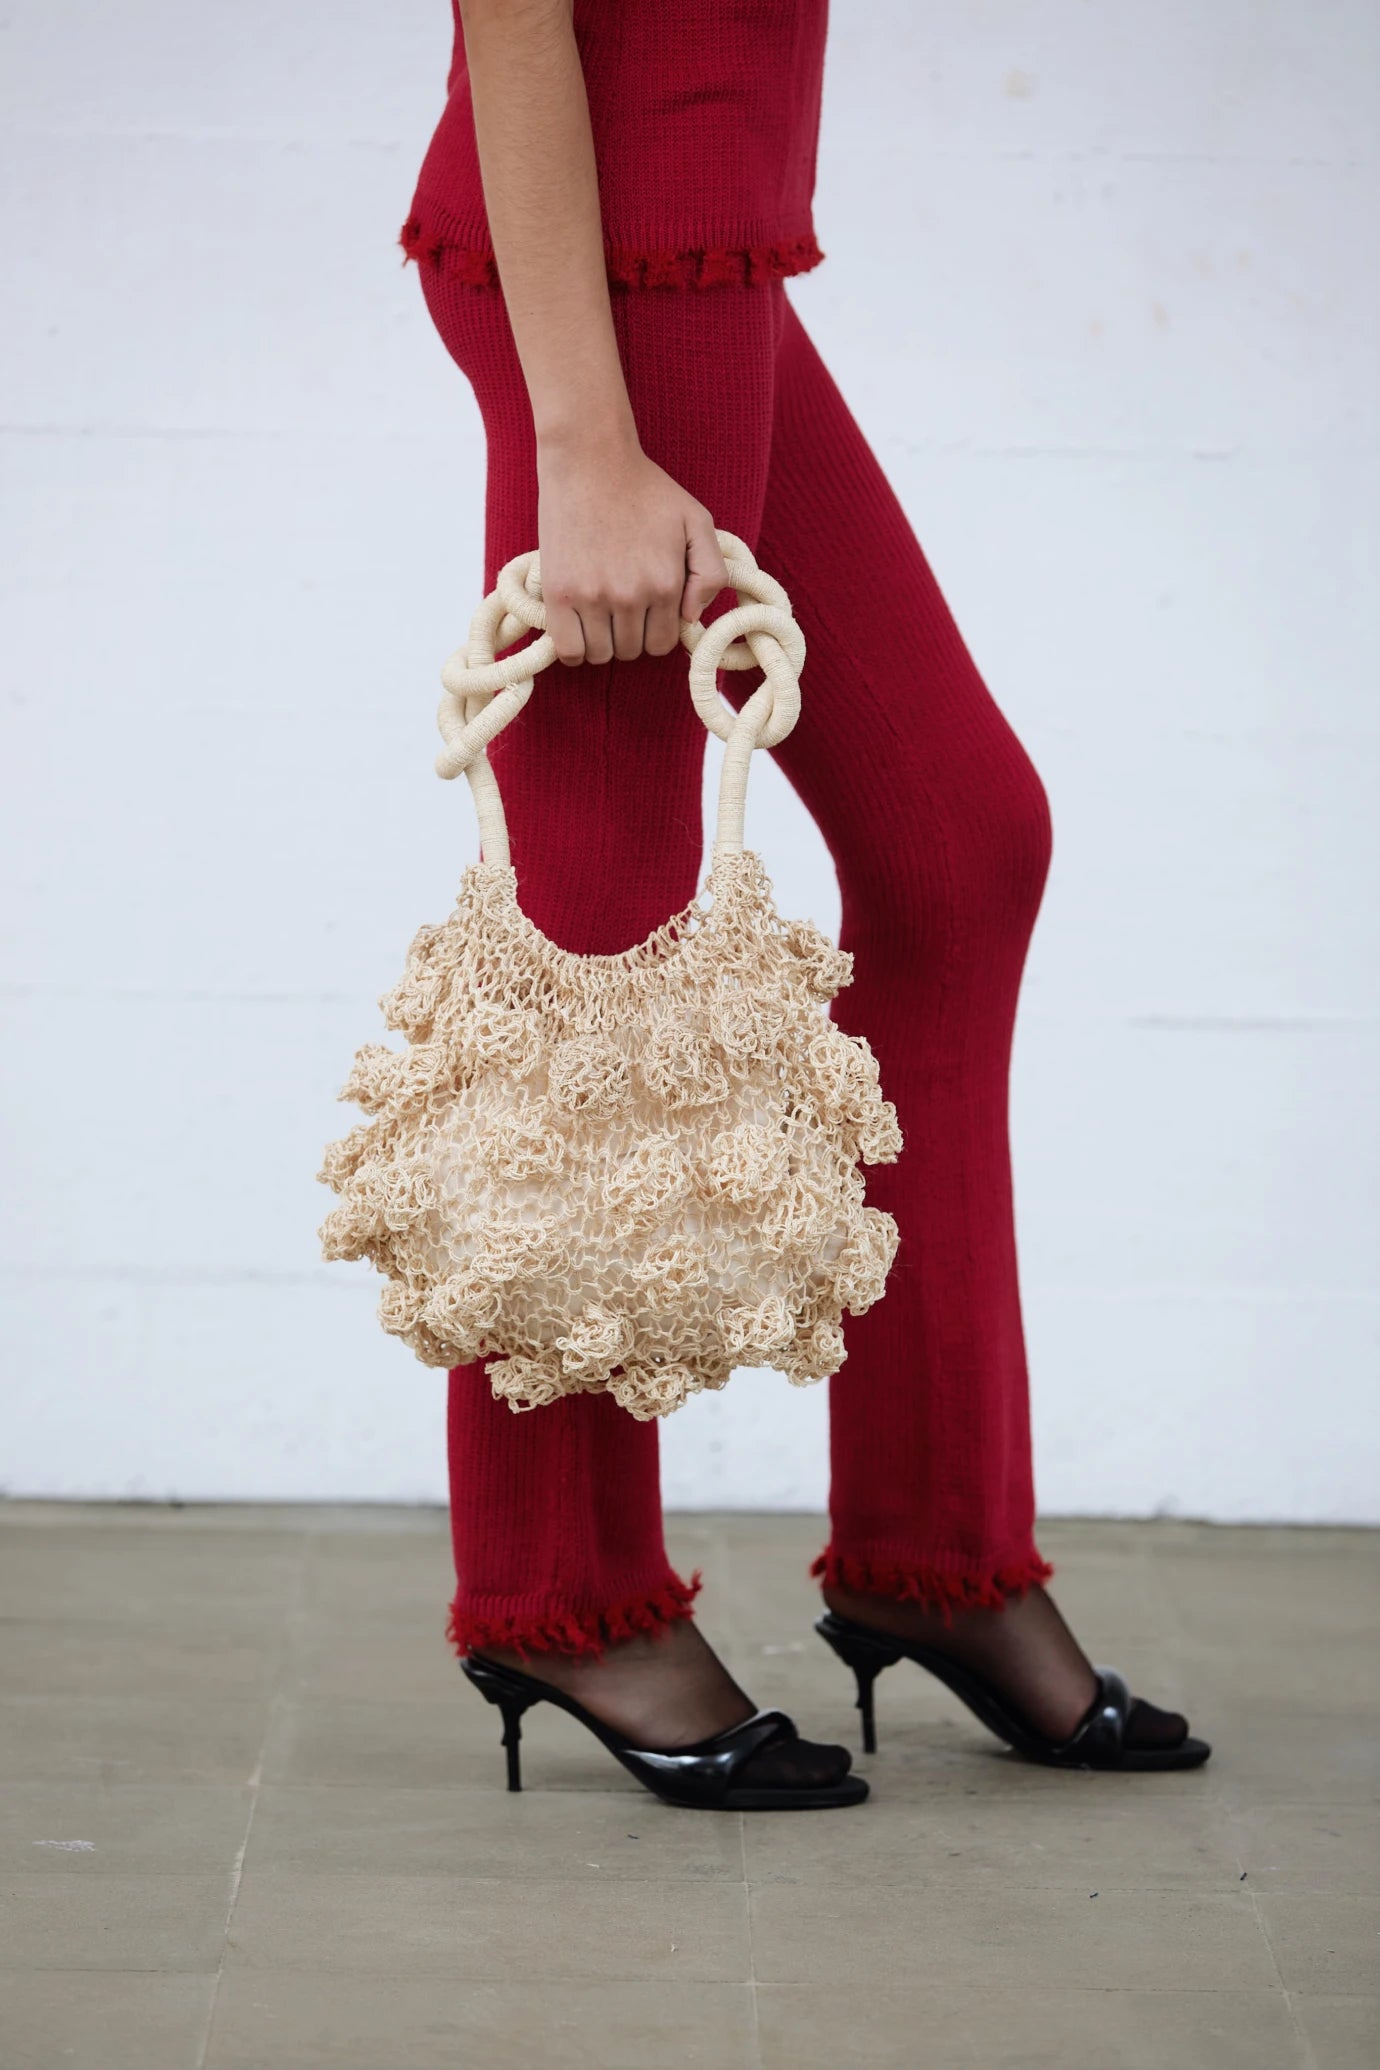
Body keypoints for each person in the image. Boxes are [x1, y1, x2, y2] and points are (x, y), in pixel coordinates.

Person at [398, 0, 1208, 1809]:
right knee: (603, 913)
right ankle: (561, 1586)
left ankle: (936, 1545)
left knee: (959, 848)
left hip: (710, 251)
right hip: (613, 279)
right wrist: (583, 446)